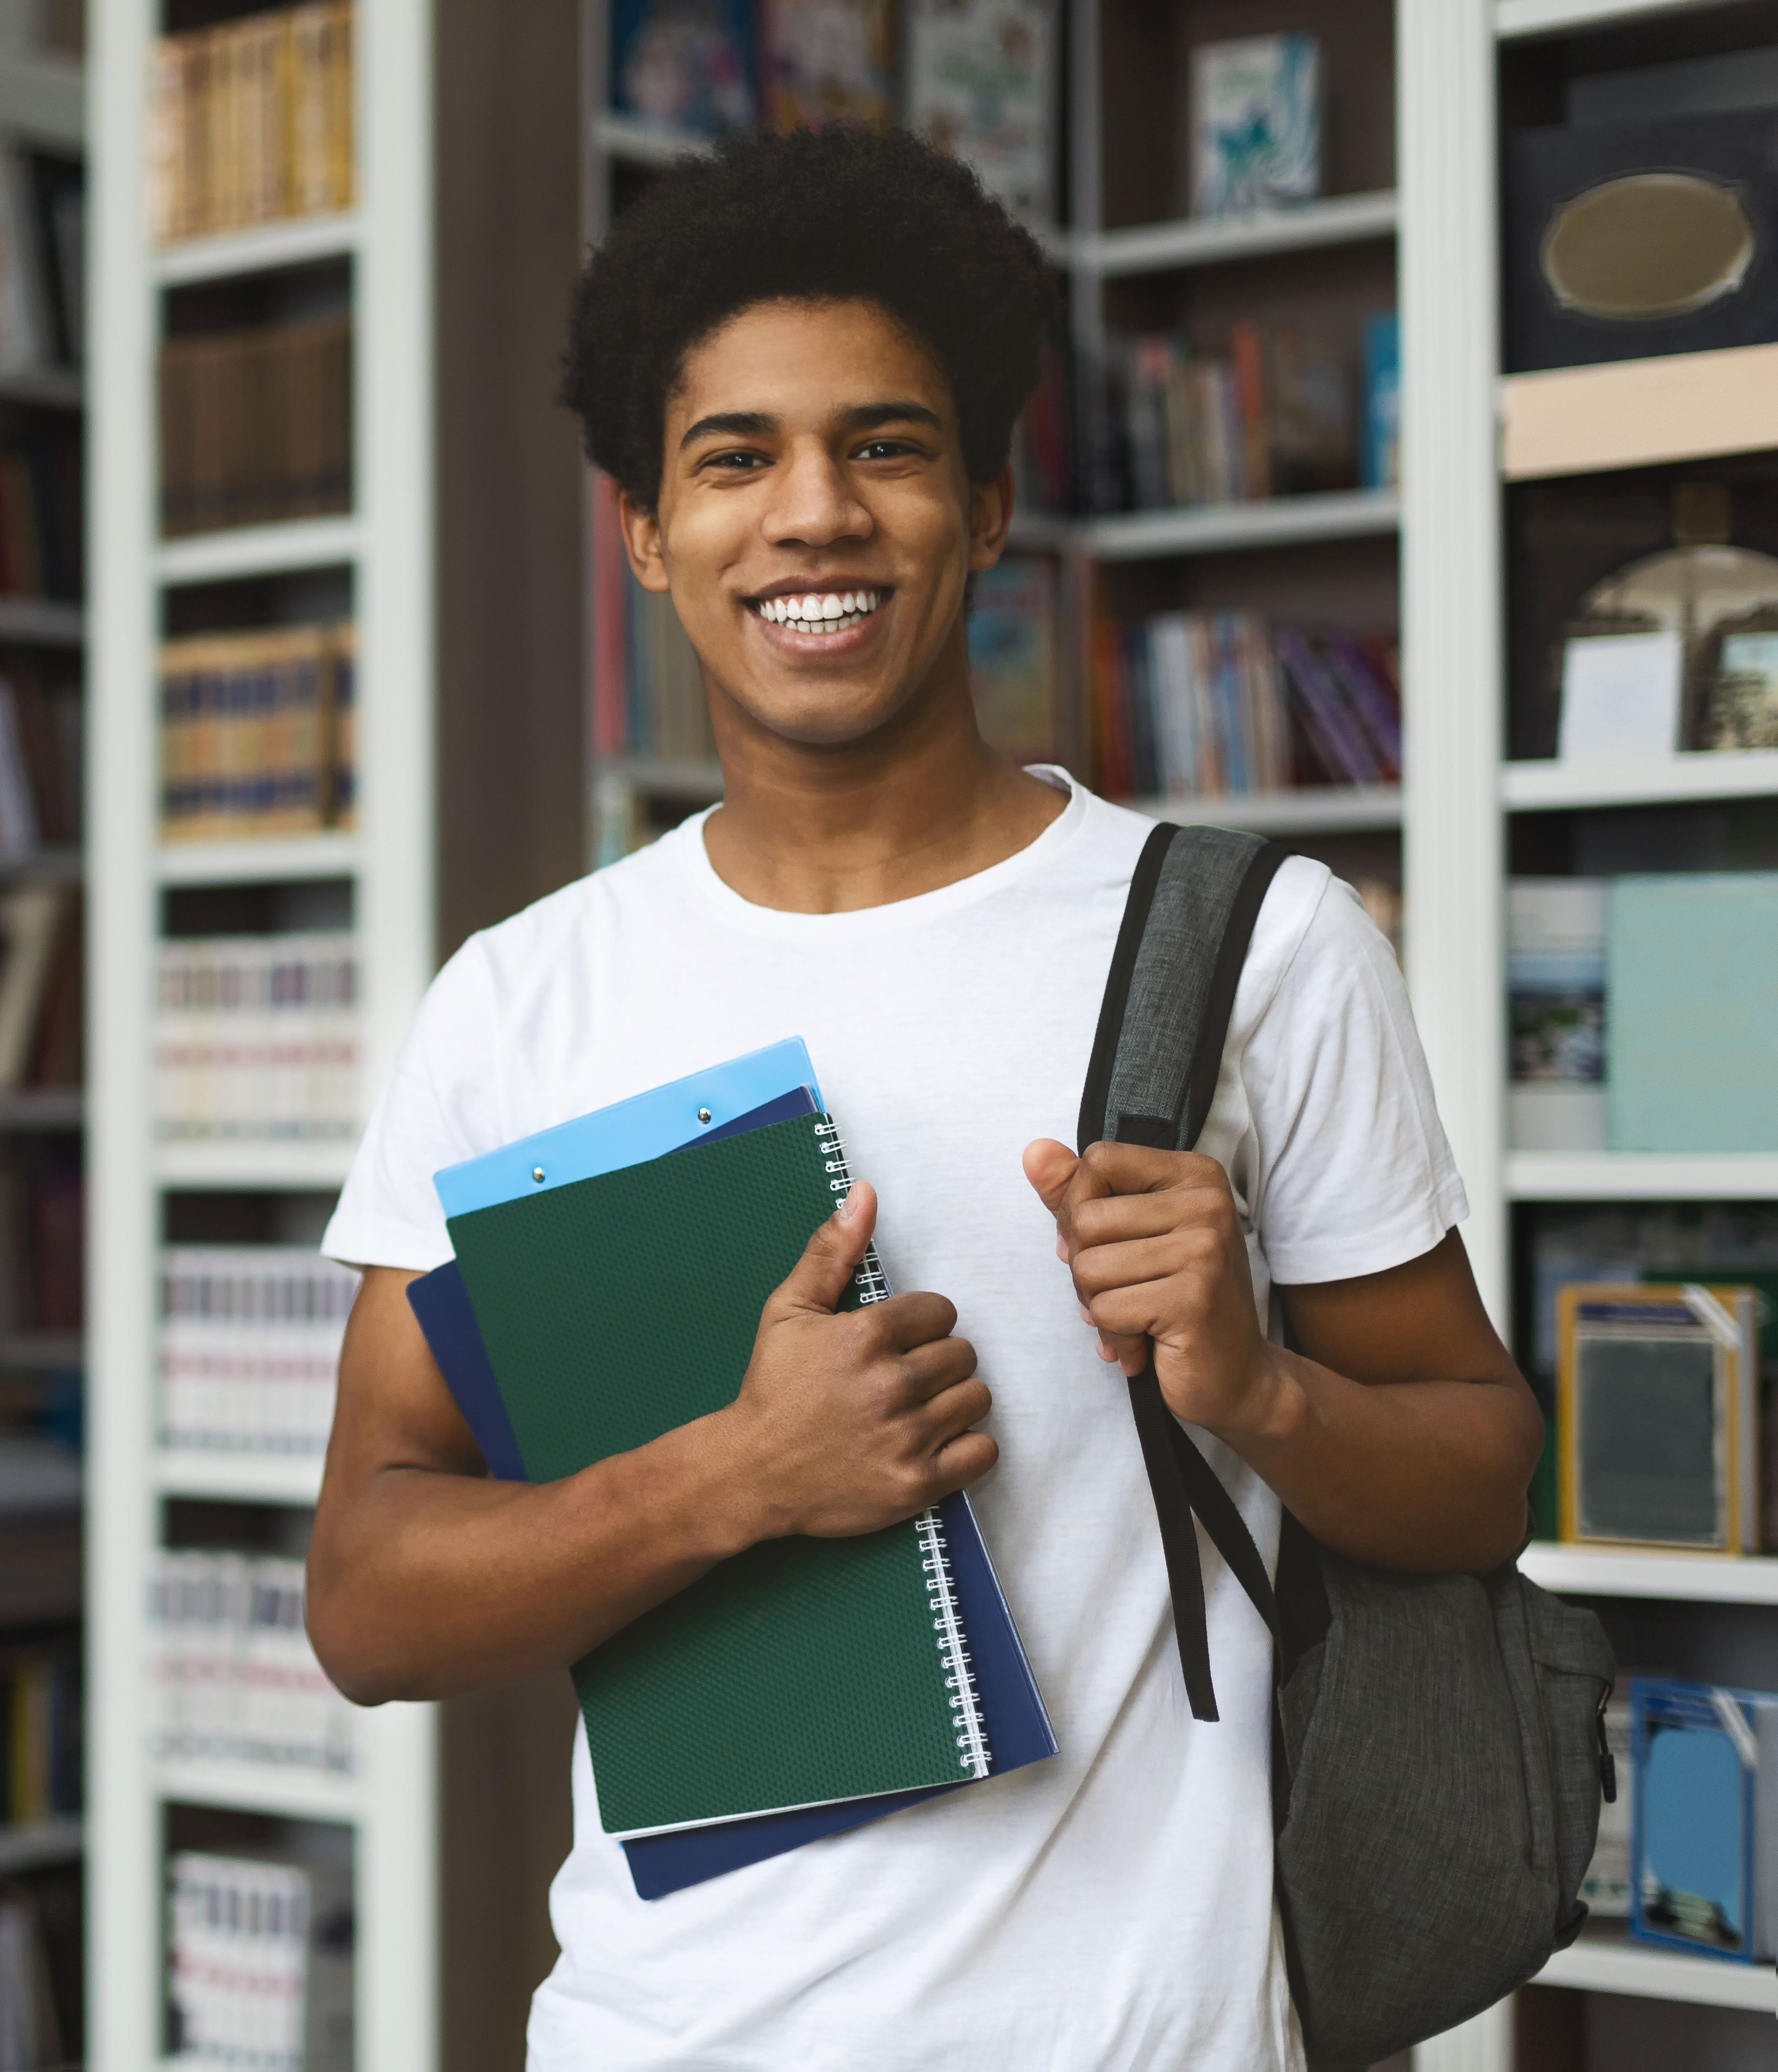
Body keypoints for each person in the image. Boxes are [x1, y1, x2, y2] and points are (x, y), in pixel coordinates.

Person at [302, 123, 1538, 2069]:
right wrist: (738, 1475)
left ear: (986, 501)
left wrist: (1257, 1386)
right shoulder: (520, 1002)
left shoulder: (1254, 945)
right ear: (644, 527)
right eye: (737, 458)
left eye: (883, 446)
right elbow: (369, 1604)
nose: (814, 515)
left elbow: (1484, 1473)